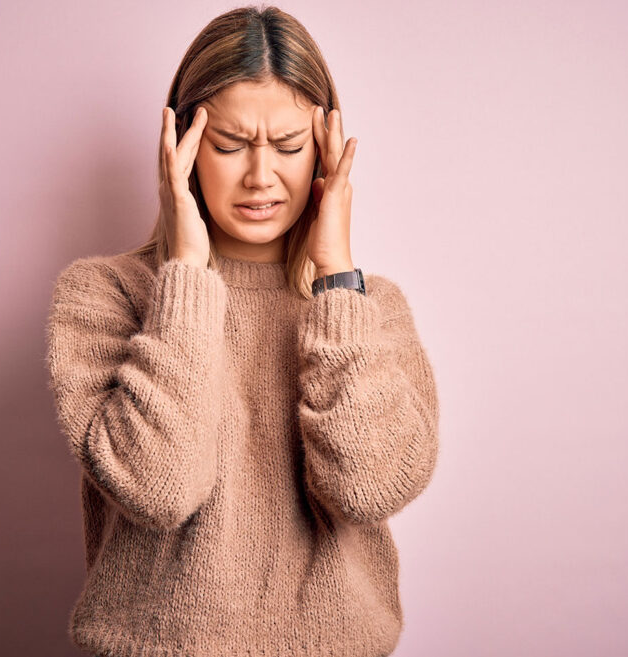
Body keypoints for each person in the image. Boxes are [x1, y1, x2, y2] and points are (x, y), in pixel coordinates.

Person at [45, 5, 440, 656]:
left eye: (288, 146)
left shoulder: (372, 309)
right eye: (229, 145)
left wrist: (336, 279)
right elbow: (160, 487)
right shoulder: (102, 295)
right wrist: (185, 277)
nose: (261, 176)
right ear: (182, 147)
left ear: (324, 148)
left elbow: (366, 487)